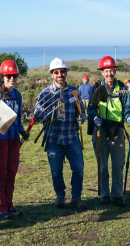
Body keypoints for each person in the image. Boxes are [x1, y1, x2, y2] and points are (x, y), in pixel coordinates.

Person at [34, 58, 87, 210]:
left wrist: (81, 117)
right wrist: (39, 115)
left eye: (62, 71)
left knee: (78, 169)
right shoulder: (45, 94)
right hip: (53, 139)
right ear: (52, 75)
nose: (59, 74)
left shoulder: (74, 91)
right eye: (56, 72)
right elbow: (37, 114)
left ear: (65, 73)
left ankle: (76, 198)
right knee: (56, 171)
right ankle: (60, 196)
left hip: (72, 138)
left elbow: (81, 113)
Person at [0, 60, 29, 219]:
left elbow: (17, 119)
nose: (12, 79)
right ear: (3, 76)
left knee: (12, 173)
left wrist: (22, 131)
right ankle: (0, 206)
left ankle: (9, 204)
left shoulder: (18, 95)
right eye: (9, 76)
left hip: (14, 140)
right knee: (1, 173)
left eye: (14, 76)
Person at [88, 56, 130, 207]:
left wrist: (128, 118)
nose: (109, 74)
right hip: (101, 129)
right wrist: (94, 118)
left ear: (115, 71)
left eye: (111, 70)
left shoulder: (122, 88)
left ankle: (117, 195)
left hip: (117, 129)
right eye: (106, 71)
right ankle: (104, 195)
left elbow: (127, 107)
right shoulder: (96, 88)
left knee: (118, 164)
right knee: (102, 164)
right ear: (102, 72)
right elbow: (91, 108)